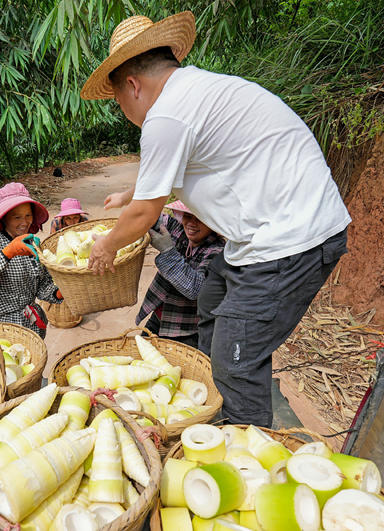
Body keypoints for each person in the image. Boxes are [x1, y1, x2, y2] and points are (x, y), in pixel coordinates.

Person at [81, 12, 351, 427]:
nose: (125, 112)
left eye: (119, 103)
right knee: (212, 294)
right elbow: (170, 172)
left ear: (132, 85)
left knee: (237, 360)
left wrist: (106, 246)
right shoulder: (194, 92)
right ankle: (211, 387)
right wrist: (130, 194)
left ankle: (243, 434)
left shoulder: (166, 116)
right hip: (278, 231)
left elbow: (145, 215)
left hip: (288, 242)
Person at [0, 182, 63, 338]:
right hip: (6, 327)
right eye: (17, 217)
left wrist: (59, 293)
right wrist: (7, 253)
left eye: (28, 215)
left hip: (33, 324)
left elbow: (42, 285)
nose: (24, 222)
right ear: (4, 218)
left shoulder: (31, 242)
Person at [138, 201, 224, 348]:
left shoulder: (217, 252)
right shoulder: (178, 229)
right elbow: (146, 215)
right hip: (159, 317)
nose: (191, 223)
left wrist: (168, 251)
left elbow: (196, 289)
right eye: (188, 216)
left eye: (199, 218)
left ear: (212, 221)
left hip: (186, 330)